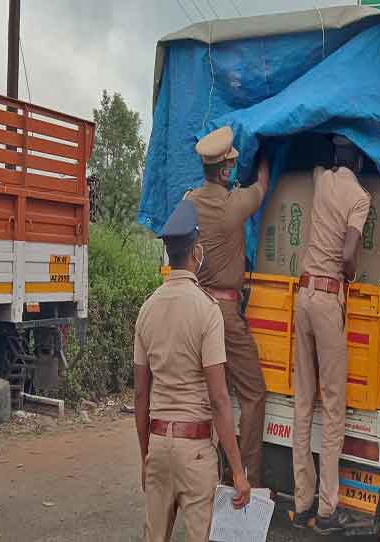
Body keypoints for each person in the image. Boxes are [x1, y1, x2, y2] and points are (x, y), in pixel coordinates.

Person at [133, 200, 251, 542]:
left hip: (157, 444)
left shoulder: (147, 309)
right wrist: (238, 472)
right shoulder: (207, 311)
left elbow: (141, 394)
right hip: (195, 450)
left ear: (169, 254)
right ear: (197, 251)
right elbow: (218, 399)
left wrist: (146, 457)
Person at [292, 136, 371, 535]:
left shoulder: (321, 180)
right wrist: (352, 274)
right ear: (358, 158)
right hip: (326, 301)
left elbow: (315, 166)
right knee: (333, 407)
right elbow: (347, 255)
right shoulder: (360, 197)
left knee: (303, 402)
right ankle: (327, 509)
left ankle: (302, 502)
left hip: (301, 296)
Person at [187, 125, 270, 488]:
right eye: (232, 165)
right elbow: (263, 187)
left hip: (194, 306)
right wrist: (267, 151)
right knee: (252, 393)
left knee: (204, 393)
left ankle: (206, 469)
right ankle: (244, 473)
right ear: (224, 170)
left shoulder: (188, 201)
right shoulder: (233, 204)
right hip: (223, 314)